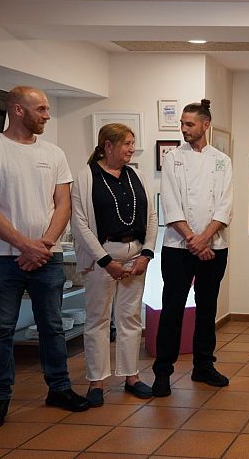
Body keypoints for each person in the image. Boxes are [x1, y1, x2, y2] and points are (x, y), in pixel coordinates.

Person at [0, 86, 89, 429]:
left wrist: (44, 244)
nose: (47, 115)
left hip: (46, 256)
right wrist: (26, 246)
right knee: (2, 330)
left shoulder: (54, 153)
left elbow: (63, 204)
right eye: (42, 109)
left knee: (52, 327)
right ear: (18, 110)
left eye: (48, 109)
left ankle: (60, 388)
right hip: (1, 259)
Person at [71, 123, 158, 406]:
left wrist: (146, 254)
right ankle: (96, 382)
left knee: (130, 318)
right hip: (102, 255)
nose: (132, 149)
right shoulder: (86, 177)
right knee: (97, 319)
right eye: (127, 144)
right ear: (108, 146)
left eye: (132, 143)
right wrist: (106, 261)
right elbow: (81, 224)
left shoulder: (137, 175)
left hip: (135, 254)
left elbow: (152, 217)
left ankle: (130, 376)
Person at [152, 99, 233, 397]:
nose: (184, 129)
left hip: (214, 247)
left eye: (189, 124)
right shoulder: (172, 158)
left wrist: (205, 239)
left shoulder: (222, 161)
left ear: (205, 125)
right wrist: (193, 240)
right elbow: (171, 204)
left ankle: (203, 366)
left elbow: (225, 205)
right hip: (178, 247)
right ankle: (163, 372)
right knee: (171, 309)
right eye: (182, 124)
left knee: (207, 309)